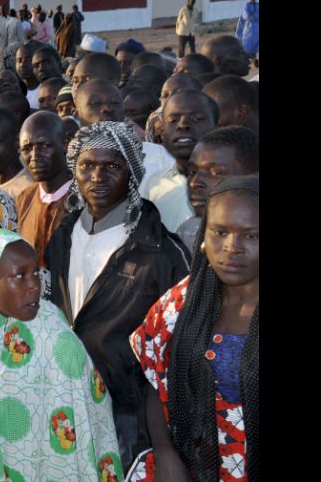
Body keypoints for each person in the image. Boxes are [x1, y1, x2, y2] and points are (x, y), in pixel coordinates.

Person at [45, 121, 191, 469]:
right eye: (87, 166)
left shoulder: (161, 251)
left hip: (130, 415)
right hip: (66, 401)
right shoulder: (62, 235)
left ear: (133, 173)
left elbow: (177, 349)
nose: (98, 176)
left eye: (113, 166)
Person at [0, 229, 122, 481]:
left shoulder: (54, 335)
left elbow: (89, 413)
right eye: (20, 276)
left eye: (36, 273)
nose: (34, 285)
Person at [128, 176, 259, 482]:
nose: (232, 248)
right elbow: (156, 382)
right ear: (204, 235)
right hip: (192, 467)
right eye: (220, 232)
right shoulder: (180, 303)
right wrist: (165, 454)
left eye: (251, 236)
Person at [141, 90, 219, 232]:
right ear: (162, 133)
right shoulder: (154, 185)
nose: (183, 125)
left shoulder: (233, 181)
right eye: (173, 120)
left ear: (218, 127)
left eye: (198, 118)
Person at [176, 126, 259, 253]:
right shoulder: (188, 232)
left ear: (254, 177)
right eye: (192, 171)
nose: (194, 183)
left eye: (216, 172)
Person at [15, 112, 73, 280]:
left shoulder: (84, 199)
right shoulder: (24, 199)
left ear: (65, 144)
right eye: (27, 148)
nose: (34, 156)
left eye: (44, 145)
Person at [16, 41, 44, 109]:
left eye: (29, 60)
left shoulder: (44, 90)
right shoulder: (15, 89)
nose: (22, 64)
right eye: (19, 60)